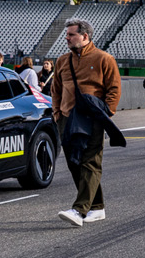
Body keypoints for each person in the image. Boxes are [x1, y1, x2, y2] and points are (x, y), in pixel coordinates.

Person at [51, 20, 121, 226]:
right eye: (67, 35)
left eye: (71, 35)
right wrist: (57, 113)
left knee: (90, 162)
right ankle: (97, 208)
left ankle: (79, 210)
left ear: (85, 36)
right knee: (74, 162)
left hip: (92, 118)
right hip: (66, 118)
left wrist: (105, 113)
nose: (67, 38)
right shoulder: (62, 60)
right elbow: (56, 89)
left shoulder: (104, 59)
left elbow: (114, 89)